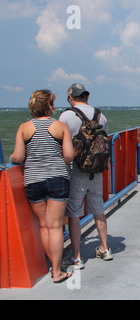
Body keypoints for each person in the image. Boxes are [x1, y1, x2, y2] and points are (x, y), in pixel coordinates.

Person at [10, 89, 75, 283]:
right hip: (57, 179)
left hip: (32, 180)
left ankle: (51, 267)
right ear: (50, 105)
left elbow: (18, 158)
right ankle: (57, 271)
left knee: (44, 226)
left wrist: (13, 158)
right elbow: (69, 156)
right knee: (55, 226)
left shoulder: (23, 128)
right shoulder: (60, 126)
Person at [59, 83, 113, 270]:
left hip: (75, 170)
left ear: (70, 98)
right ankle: (105, 249)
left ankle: (76, 257)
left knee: (74, 212)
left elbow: (61, 142)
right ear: (87, 97)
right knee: (98, 208)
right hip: (96, 170)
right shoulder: (101, 115)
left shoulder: (67, 115)